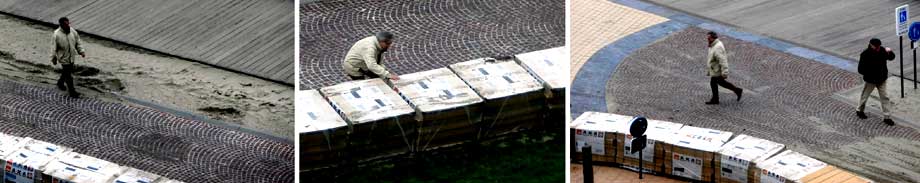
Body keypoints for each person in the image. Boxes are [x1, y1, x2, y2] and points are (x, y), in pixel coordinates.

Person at [856, 38, 896, 125]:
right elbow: (860, 69)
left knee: (885, 97)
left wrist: (890, 52)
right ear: (871, 45)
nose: (878, 48)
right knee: (865, 96)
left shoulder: (882, 50)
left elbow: (891, 58)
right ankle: (859, 110)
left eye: (879, 46)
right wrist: (871, 72)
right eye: (876, 47)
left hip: (882, 79)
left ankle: (887, 117)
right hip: (871, 80)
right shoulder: (865, 54)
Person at [51, 17, 85, 98]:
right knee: (68, 75)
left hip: (72, 57)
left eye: (68, 23)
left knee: (66, 72)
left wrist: (81, 51)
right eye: (66, 24)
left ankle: (60, 83)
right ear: (61, 24)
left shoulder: (72, 31)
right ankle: (72, 92)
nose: (68, 25)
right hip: (64, 58)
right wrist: (53, 58)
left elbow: (77, 42)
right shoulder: (56, 35)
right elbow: (53, 48)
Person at [704, 31, 742, 104]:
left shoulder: (717, 47)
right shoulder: (713, 45)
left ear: (713, 38)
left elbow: (723, 61)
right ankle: (736, 91)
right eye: (707, 38)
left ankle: (716, 99)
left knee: (716, 82)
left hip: (717, 70)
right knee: (718, 83)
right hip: (715, 68)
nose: (707, 39)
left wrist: (725, 72)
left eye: (709, 38)